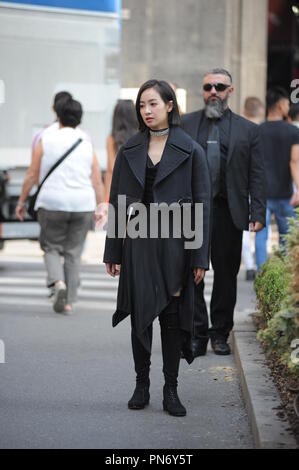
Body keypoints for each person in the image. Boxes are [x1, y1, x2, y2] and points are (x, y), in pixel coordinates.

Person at [103, 79, 211, 416]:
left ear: (169, 106)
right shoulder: (130, 150)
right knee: (140, 314)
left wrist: (198, 255)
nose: (146, 111)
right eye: (141, 106)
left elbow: (201, 206)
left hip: (175, 243)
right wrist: (113, 251)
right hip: (138, 242)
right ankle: (141, 384)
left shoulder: (191, 149)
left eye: (152, 104)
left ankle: (171, 390)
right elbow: (117, 200)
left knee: (172, 316)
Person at [181, 68, 266, 356]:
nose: (213, 91)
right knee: (190, 276)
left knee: (226, 277)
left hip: (228, 212)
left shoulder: (249, 131)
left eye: (219, 86)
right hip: (192, 214)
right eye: (208, 87)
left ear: (231, 91)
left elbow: (257, 174)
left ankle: (219, 333)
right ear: (203, 91)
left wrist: (258, 212)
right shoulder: (185, 124)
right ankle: (197, 333)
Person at [16, 98, 105, 313]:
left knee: (51, 247)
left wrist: (21, 201)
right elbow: (96, 179)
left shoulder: (46, 139)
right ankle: (68, 302)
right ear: (79, 118)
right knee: (73, 252)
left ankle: (58, 283)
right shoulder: (86, 142)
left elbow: (31, 174)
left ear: (58, 115)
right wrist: (101, 205)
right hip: (82, 204)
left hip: (52, 203)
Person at [255, 87, 299, 272]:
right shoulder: (292, 131)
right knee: (286, 236)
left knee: (260, 235)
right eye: (287, 103)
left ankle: (262, 275)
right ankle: (284, 275)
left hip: (262, 193)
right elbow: (294, 161)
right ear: (281, 105)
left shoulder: (257, 131)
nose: (288, 107)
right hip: (285, 194)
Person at [241, 97, 265, 281]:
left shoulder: (239, 131)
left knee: (244, 231)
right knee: (263, 231)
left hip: (242, 187)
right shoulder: (263, 131)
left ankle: (250, 266)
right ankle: (262, 266)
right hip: (265, 186)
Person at [104, 100, 138, 201]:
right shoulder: (141, 136)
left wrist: (106, 197)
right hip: (137, 190)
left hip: (119, 190)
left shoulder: (112, 138)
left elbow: (111, 169)